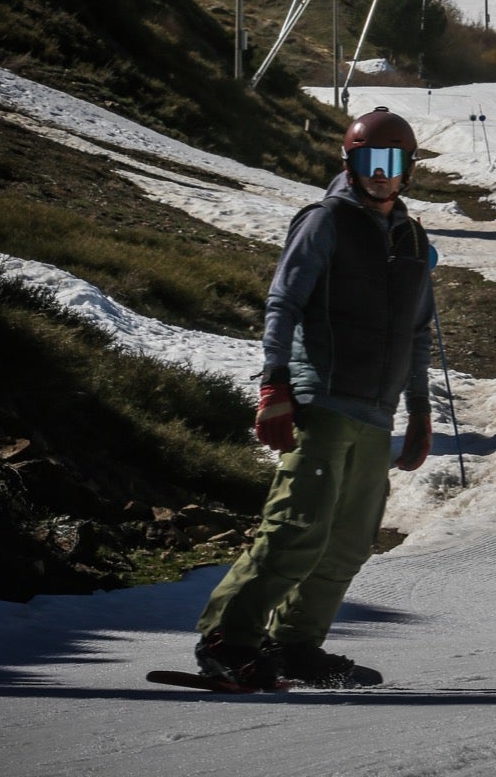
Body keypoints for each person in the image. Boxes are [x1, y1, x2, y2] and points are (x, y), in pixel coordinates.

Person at [194, 108, 434, 691]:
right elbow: (284, 302)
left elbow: (420, 329)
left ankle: (294, 646)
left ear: (407, 169)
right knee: (296, 527)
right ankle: (229, 641)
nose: (381, 174)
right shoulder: (325, 220)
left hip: (376, 412)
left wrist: (421, 410)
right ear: (349, 163)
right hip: (322, 400)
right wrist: (274, 383)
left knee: (350, 540)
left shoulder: (413, 237)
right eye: (369, 161)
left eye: (393, 162)